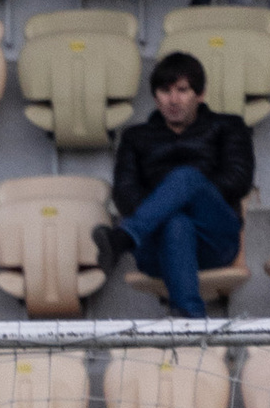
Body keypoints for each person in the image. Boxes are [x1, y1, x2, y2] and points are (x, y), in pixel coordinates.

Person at [100, 48, 256, 319]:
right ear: (155, 96)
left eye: (182, 90)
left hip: (216, 239)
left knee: (186, 178)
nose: (173, 100)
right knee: (176, 223)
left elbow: (238, 180)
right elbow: (124, 194)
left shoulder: (228, 127)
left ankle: (125, 237)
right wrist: (169, 207)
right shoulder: (136, 137)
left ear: (200, 94)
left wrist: (185, 193)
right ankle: (191, 321)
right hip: (155, 247)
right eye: (164, 91)